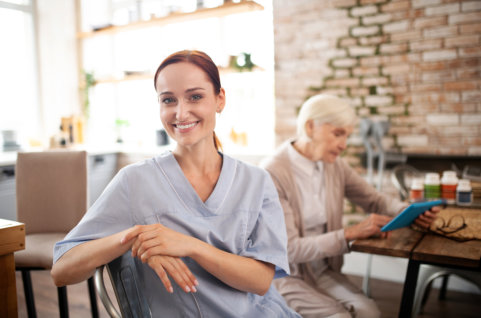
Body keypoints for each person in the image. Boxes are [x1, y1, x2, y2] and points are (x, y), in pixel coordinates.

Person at [51, 50, 300, 318]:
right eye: (168, 100)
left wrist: (191, 246)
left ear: (220, 99)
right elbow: (62, 270)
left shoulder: (257, 181)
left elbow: (261, 281)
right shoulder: (134, 181)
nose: (181, 113)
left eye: (195, 96)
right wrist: (137, 237)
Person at [261, 94, 440, 318]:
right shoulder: (272, 173)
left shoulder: (334, 165)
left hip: (324, 270)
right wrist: (350, 233)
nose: (343, 145)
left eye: (347, 135)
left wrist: (409, 211)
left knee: (370, 313)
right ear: (310, 127)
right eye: (338, 134)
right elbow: (291, 250)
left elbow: (375, 200)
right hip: (288, 276)